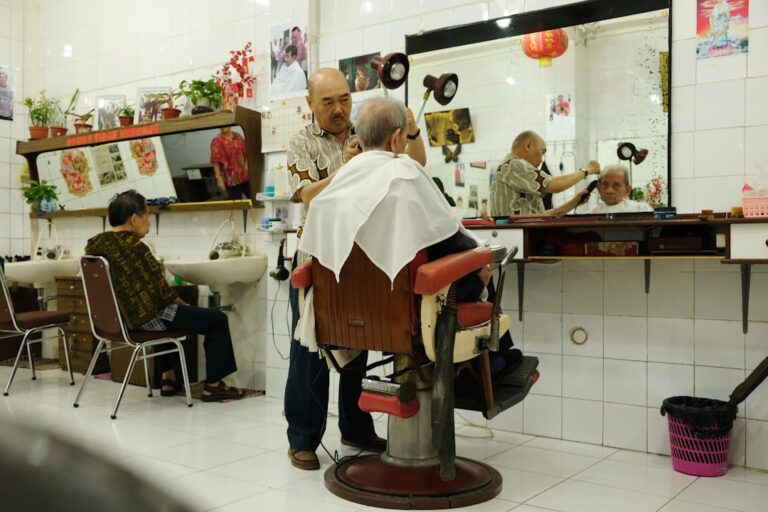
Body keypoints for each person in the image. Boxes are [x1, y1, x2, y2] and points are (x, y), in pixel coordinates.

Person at [284, 68, 426, 471]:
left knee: (358, 340)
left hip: (364, 254)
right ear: (310, 104)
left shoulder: (367, 129)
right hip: (318, 256)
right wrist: (344, 171)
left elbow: (416, 164)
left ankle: (356, 427)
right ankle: (303, 439)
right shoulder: (300, 143)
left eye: (344, 99)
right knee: (311, 348)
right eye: (327, 101)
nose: (338, 109)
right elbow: (307, 195)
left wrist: (411, 132)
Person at [85, 190, 244, 402]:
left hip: (118, 322)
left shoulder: (94, 245)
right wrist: (183, 303)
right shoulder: (136, 249)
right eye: (147, 215)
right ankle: (213, 386)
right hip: (142, 320)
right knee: (216, 320)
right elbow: (161, 294)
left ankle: (168, 378)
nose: (148, 223)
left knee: (166, 316)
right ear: (134, 219)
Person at [490, 130, 600, 216]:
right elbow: (555, 186)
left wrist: (575, 201)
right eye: (542, 152)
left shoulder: (518, 175)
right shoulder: (513, 165)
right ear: (528, 146)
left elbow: (543, 216)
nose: (542, 159)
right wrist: (586, 170)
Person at [588, 164, 653, 213]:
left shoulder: (640, 209)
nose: (609, 191)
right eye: (605, 185)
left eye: (616, 186)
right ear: (599, 189)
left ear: (627, 190)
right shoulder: (594, 213)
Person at [210, 127, 251, 200]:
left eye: (225, 124)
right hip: (231, 179)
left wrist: (247, 165)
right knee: (238, 204)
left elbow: (246, 151)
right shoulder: (217, 141)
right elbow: (215, 161)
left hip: (245, 175)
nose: (222, 127)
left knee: (254, 200)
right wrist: (219, 179)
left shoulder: (237, 136)